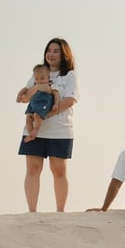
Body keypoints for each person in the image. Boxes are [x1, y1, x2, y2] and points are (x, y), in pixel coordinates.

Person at [16, 37, 78, 212]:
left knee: (59, 171)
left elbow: (70, 100)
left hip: (60, 130)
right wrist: (38, 87)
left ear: (64, 54)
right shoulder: (38, 73)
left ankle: (60, 210)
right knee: (33, 169)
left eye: (56, 51)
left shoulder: (69, 75)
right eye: (49, 50)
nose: (51, 54)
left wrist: (45, 115)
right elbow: (24, 98)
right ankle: (32, 211)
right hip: (34, 129)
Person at [18, 63, 61, 141]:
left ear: (48, 77)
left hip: (43, 104)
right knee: (28, 117)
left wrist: (56, 104)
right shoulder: (34, 85)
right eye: (37, 79)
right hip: (32, 104)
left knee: (37, 116)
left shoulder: (51, 85)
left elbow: (56, 94)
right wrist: (19, 95)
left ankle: (36, 130)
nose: (39, 81)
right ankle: (30, 134)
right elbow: (25, 89)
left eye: (42, 78)